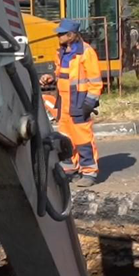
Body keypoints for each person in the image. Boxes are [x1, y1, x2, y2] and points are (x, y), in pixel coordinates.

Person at [39, 19, 103, 187]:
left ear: (72, 35)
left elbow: (95, 82)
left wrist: (89, 103)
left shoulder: (86, 52)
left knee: (82, 138)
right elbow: (62, 75)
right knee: (66, 138)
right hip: (64, 103)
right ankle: (70, 170)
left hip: (79, 102)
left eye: (61, 33)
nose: (58, 36)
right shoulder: (61, 52)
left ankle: (89, 172)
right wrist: (51, 79)